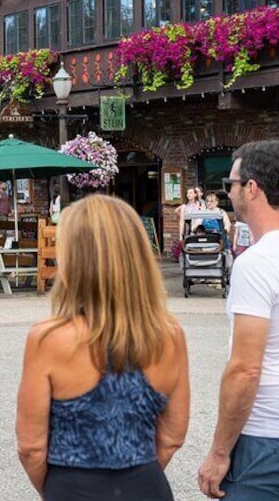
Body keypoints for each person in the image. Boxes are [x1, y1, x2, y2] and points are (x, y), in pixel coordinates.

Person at [16, 195, 190, 500]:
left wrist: (57, 489)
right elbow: (172, 436)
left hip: (72, 486)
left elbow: (31, 447)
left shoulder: (48, 339)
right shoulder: (169, 334)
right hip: (146, 486)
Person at [198, 140, 279, 499]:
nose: (227, 192)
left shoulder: (257, 263)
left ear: (252, 187)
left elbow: (245, 368)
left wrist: (218, 452)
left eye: (230, 184)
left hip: (265, 440)